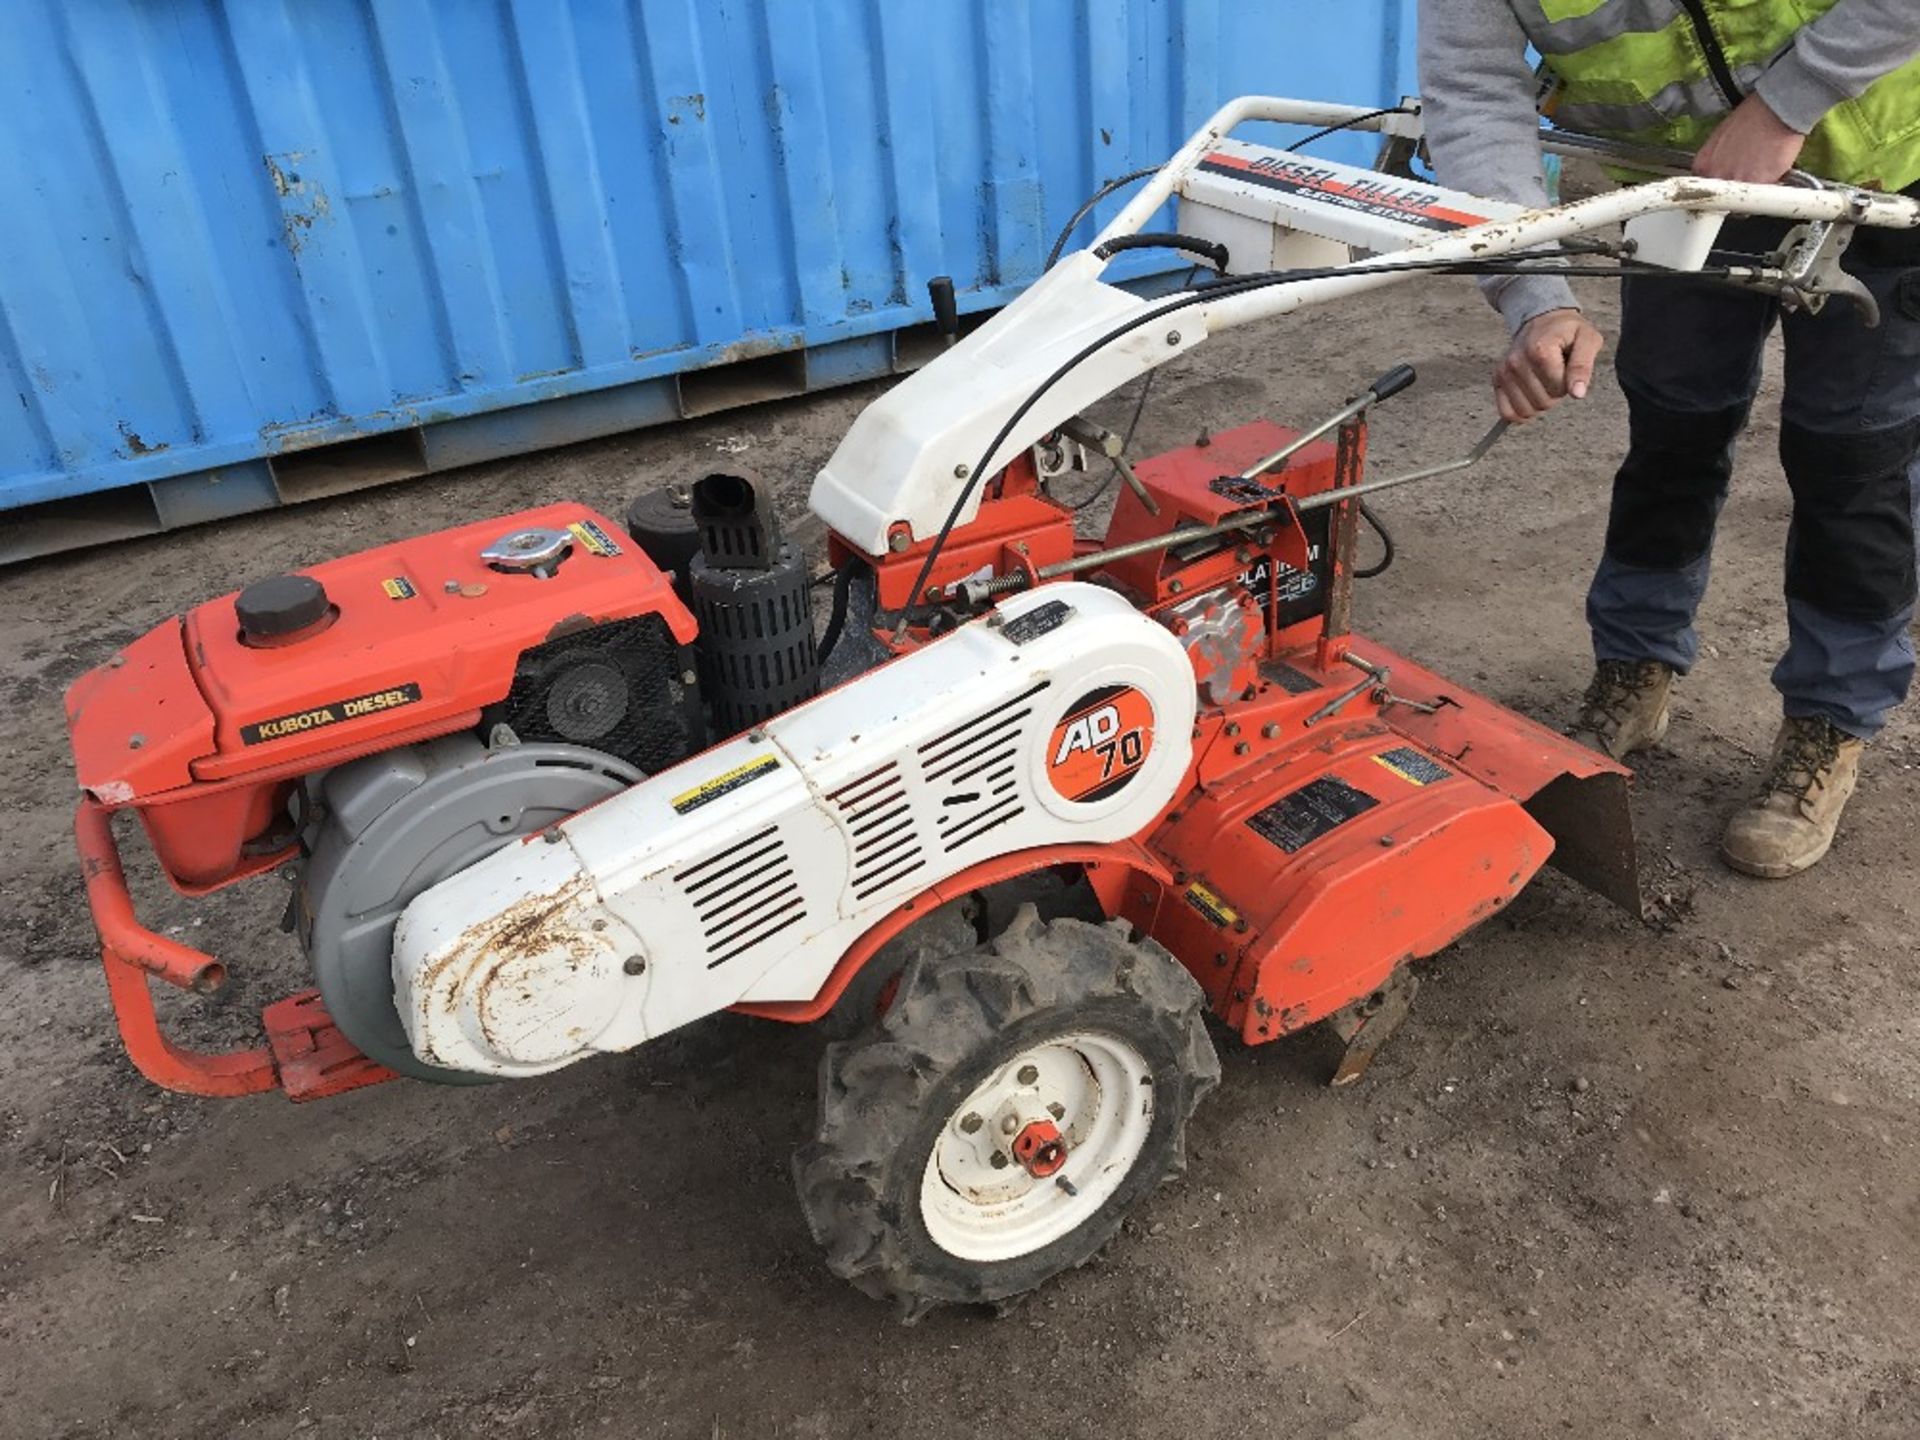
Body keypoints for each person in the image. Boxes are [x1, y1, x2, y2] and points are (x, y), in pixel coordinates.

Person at [1416, 1, 1920, 877]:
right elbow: (1472, 97)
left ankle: (1828, 728)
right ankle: (1634, 673)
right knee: (1672, 434)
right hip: (1685, 188)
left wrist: (1783, 107)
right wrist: (1539, 297)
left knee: (1852, 466)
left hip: (1884, 179)